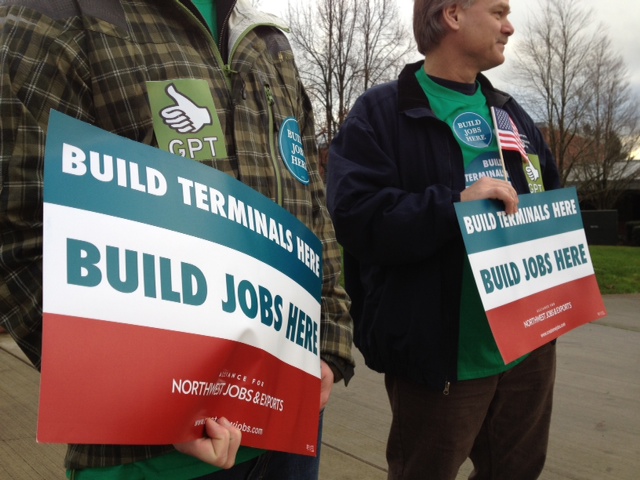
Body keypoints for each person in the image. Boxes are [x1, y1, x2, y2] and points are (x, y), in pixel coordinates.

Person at [0, 0, 354, 478]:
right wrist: (153, 403)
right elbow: (18, 234)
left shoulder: (266, 38)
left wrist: (329, 340)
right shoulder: (57, 16)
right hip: (147, 456)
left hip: (288, 425)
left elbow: (311, 199)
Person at [326, 0, 562, 479]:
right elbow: (354, 217)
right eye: (497, 12)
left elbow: (552, 198)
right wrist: (455, 205)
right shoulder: (380, 113)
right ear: (452, 15)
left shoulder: (512, 115)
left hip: (527, 347)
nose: (509, 26)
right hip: (442, 354)